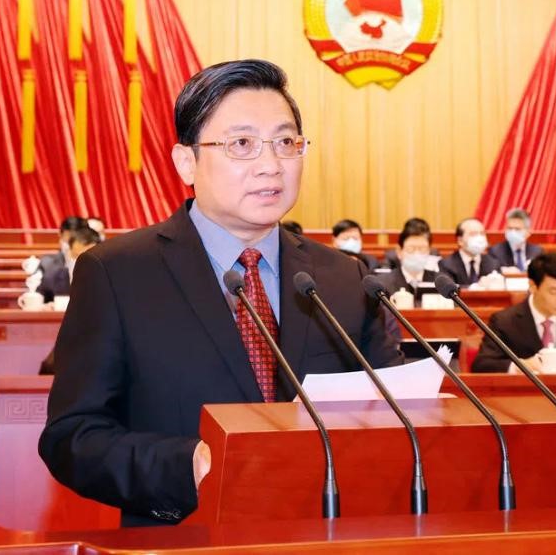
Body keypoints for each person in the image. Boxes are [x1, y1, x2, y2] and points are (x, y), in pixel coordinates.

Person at [39, 59, 400, 527]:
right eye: (242, 144)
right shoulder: (117, 274)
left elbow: (402, 413)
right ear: (186, 162)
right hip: (188, 536)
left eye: (286, 142)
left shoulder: (344, 278)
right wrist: (185, 466)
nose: (271, 165)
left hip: (325, 532)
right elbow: (72, 437)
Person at [37, 226, 101, 302]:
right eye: (77, 256)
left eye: (87, 258)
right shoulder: (51, 276)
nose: (81, 262)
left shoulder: (106, 279)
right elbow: (39, 300)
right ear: (69, 251)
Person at [380, 225, 439, 295]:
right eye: (411, 249)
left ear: (429, 251)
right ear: (399, 251)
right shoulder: (383, 283)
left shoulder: (440, 282)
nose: (417, 254)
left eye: (422, 249)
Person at [439, 217, 499, 286]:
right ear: (460, 240)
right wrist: (477, 287)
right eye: (473, 234)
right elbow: (450, 290)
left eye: (482, 233)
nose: (479, 238)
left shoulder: (493, 264)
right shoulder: (446, 265)